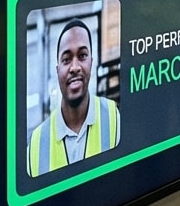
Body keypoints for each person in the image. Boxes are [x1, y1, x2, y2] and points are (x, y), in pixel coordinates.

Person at [27, 18, 121, 176]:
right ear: (58, 70)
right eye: (66, 59)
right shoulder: (36, 144)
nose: (75, 67)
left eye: (83, 56)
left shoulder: (113, 117)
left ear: (91, 62)